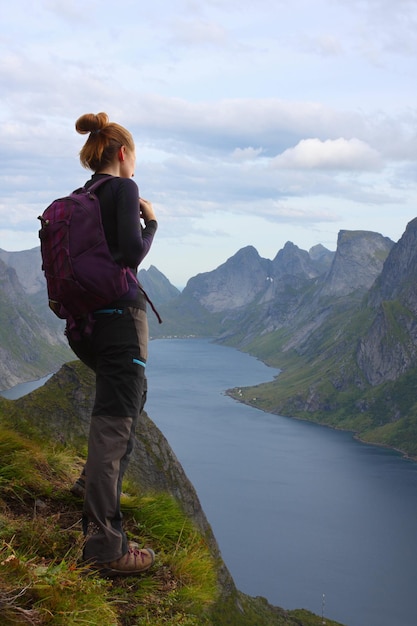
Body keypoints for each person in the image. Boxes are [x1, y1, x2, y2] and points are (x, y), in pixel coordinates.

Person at [67, 112, 157, 576]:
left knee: (129, 399)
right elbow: (131, 253)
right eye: (134, 153)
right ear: (122, 153)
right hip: (121, 321)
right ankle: (106, 547)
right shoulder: (122, 189)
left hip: (85, 324)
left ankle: (90, 488)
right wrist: (152, 223)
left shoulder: (82, 196)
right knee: (114, 426)